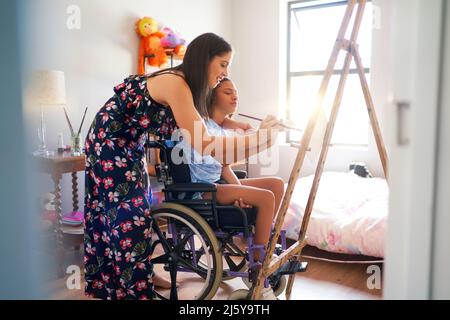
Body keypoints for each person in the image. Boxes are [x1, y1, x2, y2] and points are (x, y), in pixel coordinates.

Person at [84, 32, 283, 300]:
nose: (225, 73)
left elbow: (211, 130)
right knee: (128, 218)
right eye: (222, 64)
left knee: (139, 215)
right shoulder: (175, 84)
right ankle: (131, 288)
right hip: (109, 142)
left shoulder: (189, 90)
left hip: (130, 144)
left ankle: (139, 276)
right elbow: (206, 145)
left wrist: (258, 137)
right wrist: (261, 138)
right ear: (204, 60)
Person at [180, 78, 285, 262]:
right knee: (266, 197)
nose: (235, 96)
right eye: (228, 92)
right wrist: (262, 137)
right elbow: (224, 161)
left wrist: (270, 137)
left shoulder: (220, 128)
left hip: (217, 186)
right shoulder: (204, 127)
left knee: (276, 184)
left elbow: (224, 167)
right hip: (202, 191)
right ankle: (260, 260)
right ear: (212, 97)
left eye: (235, 92)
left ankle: (264, 237)